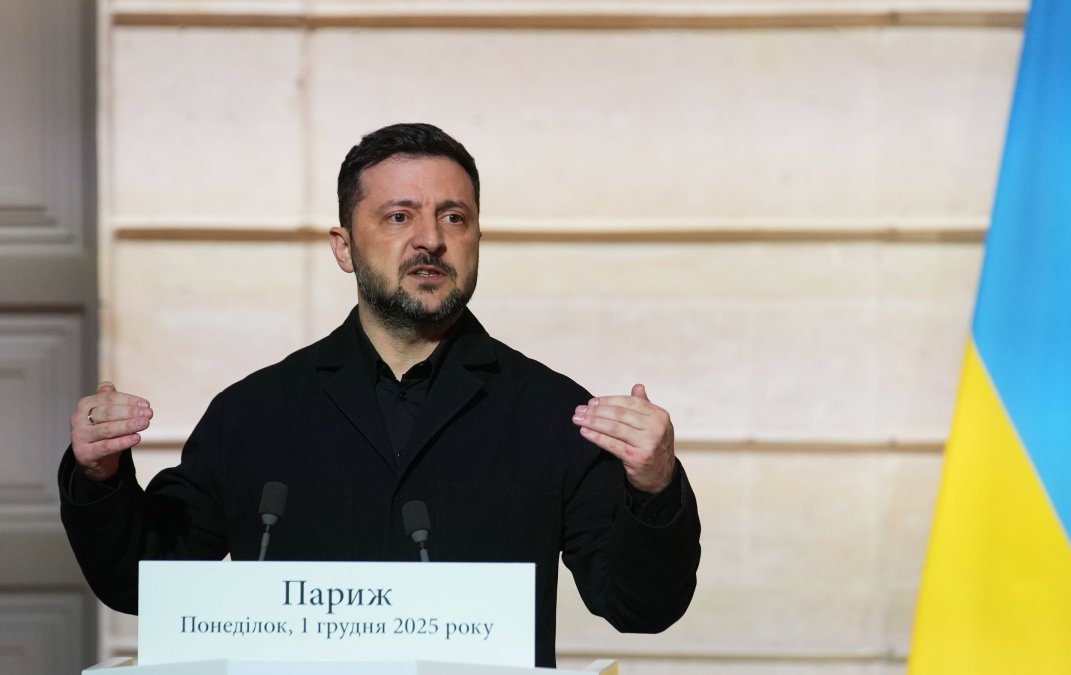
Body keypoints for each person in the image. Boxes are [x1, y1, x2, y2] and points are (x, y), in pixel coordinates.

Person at [58, 122, 701, 667]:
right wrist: (100, 475)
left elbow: (638, 607)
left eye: (455, 217)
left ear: (478, 239)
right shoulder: (256, 412)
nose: (430, 239)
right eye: (399, 216)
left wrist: (654, 486)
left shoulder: (553, 413)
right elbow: (146, 580)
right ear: (344, 247)